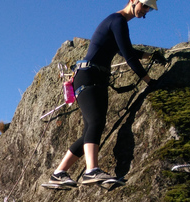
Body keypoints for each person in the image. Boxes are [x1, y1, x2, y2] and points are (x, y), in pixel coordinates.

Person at [47, 0, 167, 188]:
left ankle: (59, 173)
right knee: (96, 122)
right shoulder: (117, 21)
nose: (146, 12)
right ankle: (91, 171)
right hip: (90, 76)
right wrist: (149, 81)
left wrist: (150, 56)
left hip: (91, 77)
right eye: (145, 6)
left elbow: (125, 50)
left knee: (91, 129)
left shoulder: (116, 23)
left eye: (149, 9)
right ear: (133, 1)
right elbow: (128, 55)